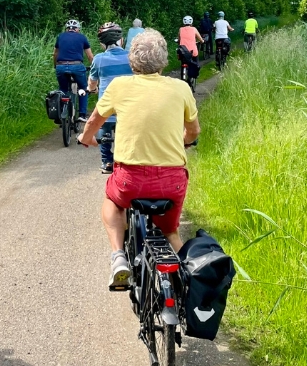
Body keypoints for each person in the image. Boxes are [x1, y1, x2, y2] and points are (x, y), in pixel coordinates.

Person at [77, 29, 201, 288]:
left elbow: (94, 121)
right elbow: (193, 131)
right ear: (164, 59)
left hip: (130, 180)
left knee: (113, 200)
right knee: (170, 232)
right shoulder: (181, 88)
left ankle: (118, 257)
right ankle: (191, 282)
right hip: (171, 181)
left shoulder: (120, 86)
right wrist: (184, 141)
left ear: (133, 59)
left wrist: (86, 139)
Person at [88, 22, 133, 174]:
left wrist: (91, 89)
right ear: (121, 40)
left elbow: (92, 82)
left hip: (107, 110)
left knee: (104, 126)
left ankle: (107, 161)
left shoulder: (98, 59)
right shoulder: (131, 57)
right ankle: (127, 161)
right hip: (128, 109)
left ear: (102, 42)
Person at [53, 20, 94, 121]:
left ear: (67, 29)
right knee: (83, 88)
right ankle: (82, 115)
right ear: (77, 29)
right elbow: (89, 56)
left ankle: (61, 113)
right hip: (77, 66)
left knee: (62, 89)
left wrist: (55, 66)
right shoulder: (82, 37)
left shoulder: (60, 36)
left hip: (61, 66)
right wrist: (93, 67)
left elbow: (55, 54)